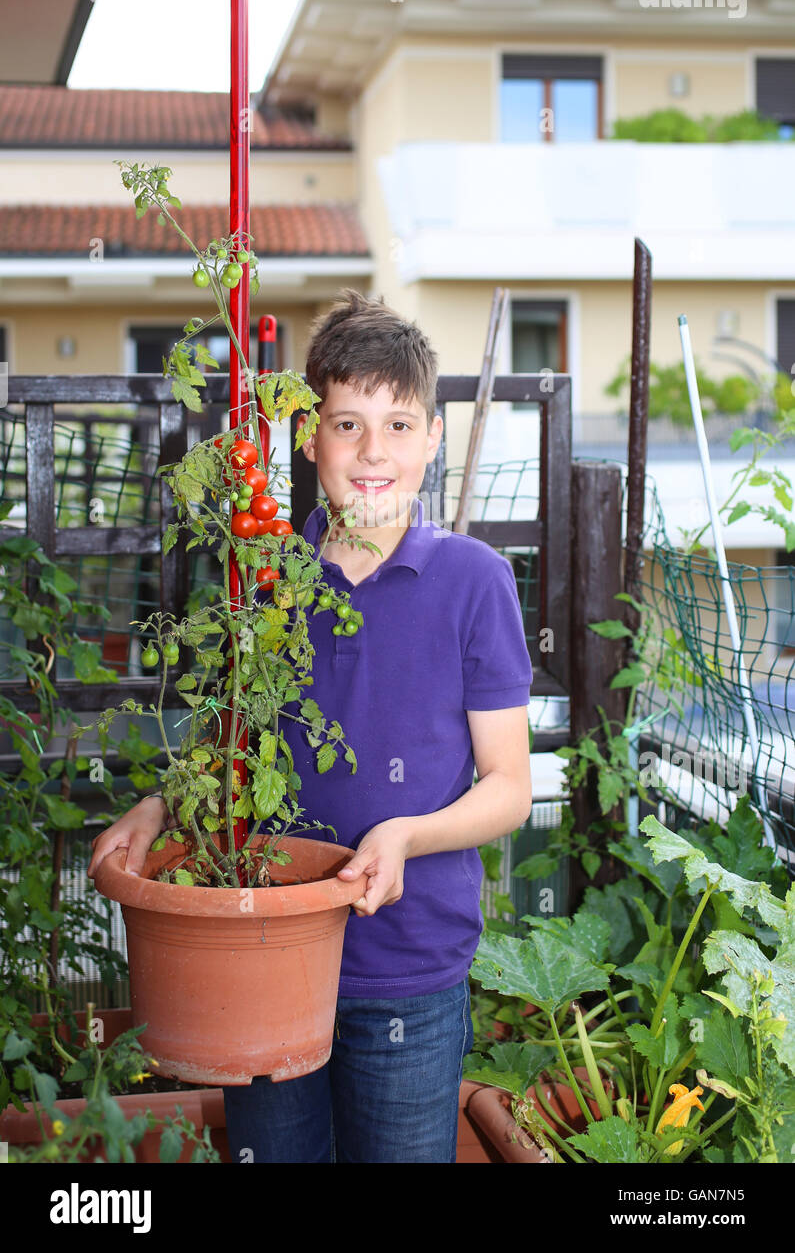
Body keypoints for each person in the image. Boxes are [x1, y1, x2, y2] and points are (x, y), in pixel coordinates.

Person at [87, 289, 533, 1163]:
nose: (374, 454)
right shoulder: (262, 581)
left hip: (407, 969)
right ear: (308, 437)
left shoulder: (474, 582)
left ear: (434, 438)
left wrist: (404, 833)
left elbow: (510, 788)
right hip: (262, 955)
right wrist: (159, 810)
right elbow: (233, 750)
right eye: (348, 425)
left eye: (400, 426)